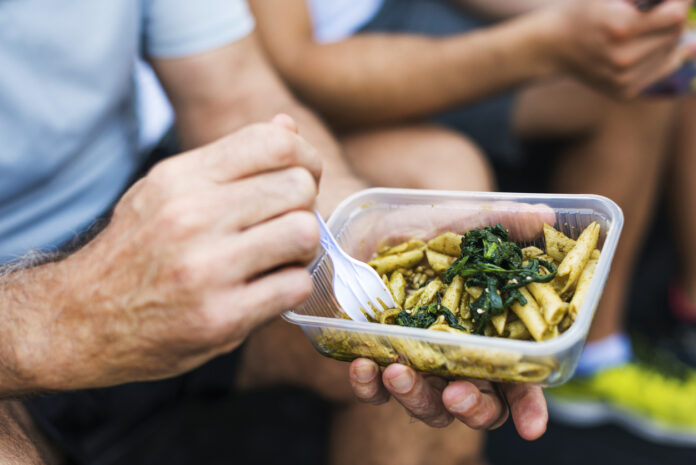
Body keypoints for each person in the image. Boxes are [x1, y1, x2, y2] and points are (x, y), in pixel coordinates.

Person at [0, 1, 547, 463]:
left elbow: (233, 91)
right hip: (17, 305)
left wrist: (361, 229)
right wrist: (61, 315)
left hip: (126, 196)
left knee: (423, 351)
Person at [249, 0, 696, 447]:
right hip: (334, 65)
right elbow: (293, 66)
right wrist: (545, 42)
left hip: (398, 18)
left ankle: (595, 351)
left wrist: (577, 12)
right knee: (449, 179)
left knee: (651, 77)